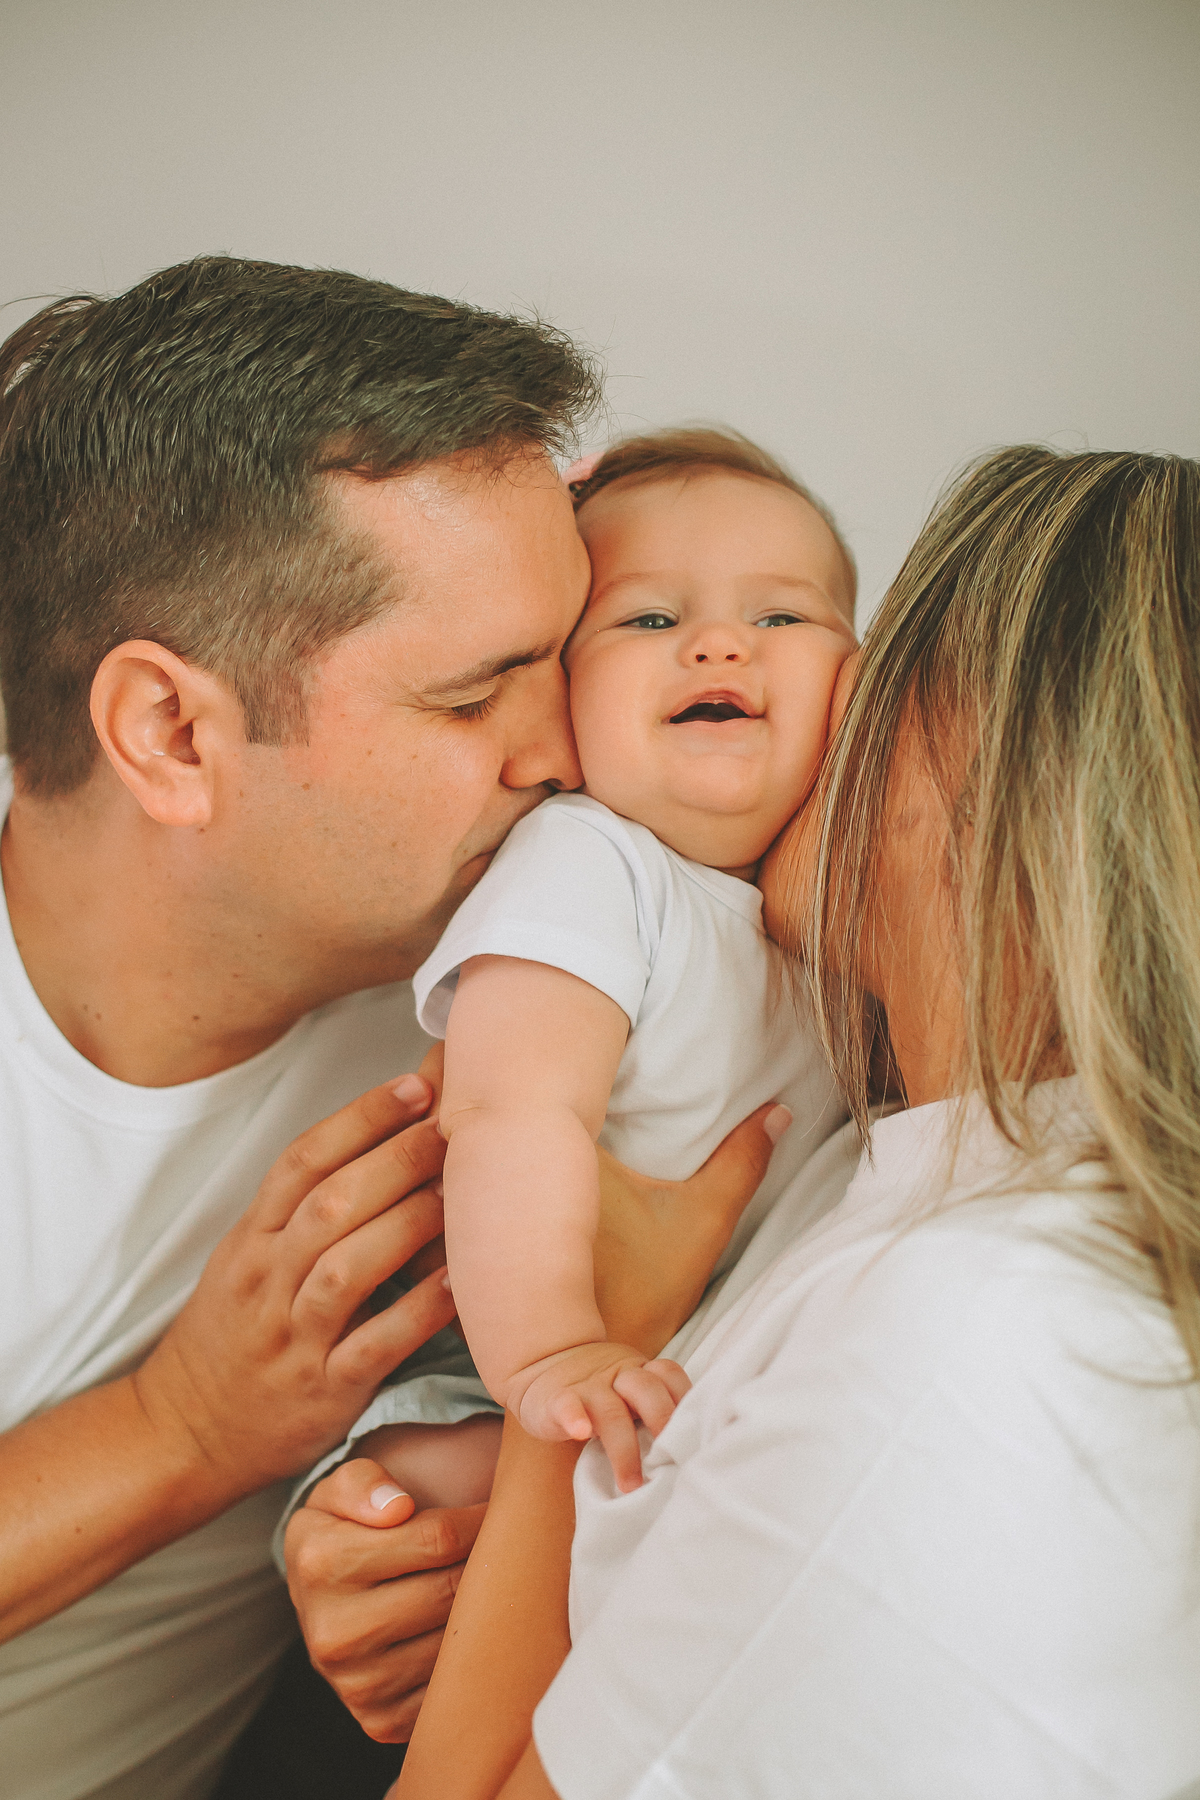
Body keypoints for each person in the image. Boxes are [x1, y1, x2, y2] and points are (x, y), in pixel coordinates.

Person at [296, 444, 1200, 1798]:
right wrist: (405, 1532)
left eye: (867, 652)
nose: (786, 688)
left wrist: (585, 1372)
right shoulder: (898, 1169)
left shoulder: (971, 1341)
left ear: (1026, 766)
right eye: (651, 619)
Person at [0, 255, 766, 1800]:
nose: (565, 751)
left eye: (569, 650)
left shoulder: (525, 1023)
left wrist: (385, 1538)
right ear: (172, 733)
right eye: (477, 694)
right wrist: (182, 1430)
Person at [401, 428, 854, 1489]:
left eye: (779, 615)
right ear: (560, 688)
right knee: (441, 1496)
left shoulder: (839, 917)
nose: (718, 645)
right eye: (650, 618)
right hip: (494, 1359)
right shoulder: (590, 862)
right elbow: (513, 1114)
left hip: (685, 1359)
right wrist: (555, 1347)